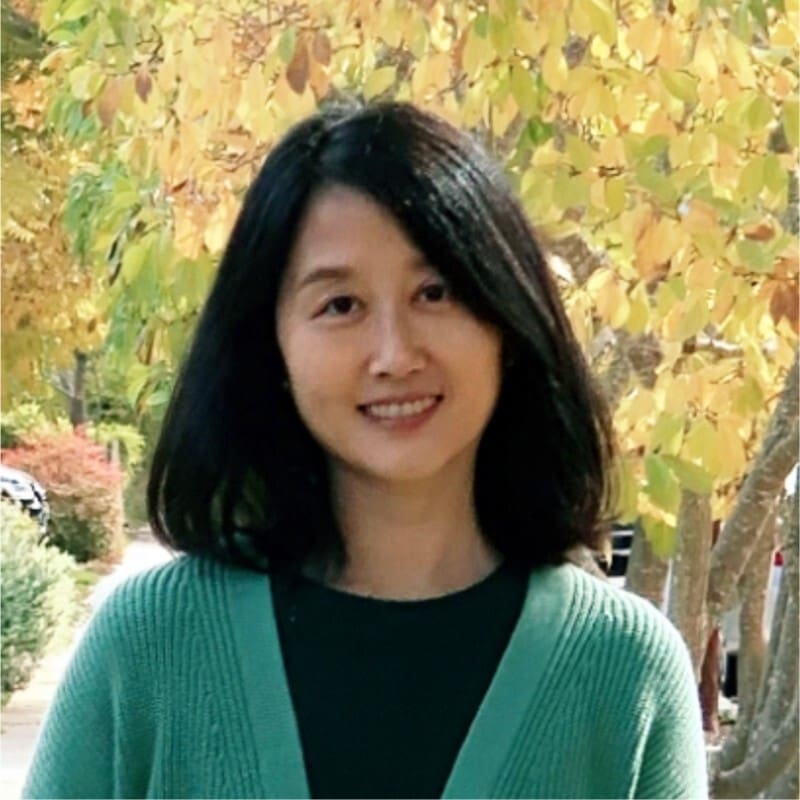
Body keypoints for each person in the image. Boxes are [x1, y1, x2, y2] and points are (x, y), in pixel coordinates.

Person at [24, 101, 707, 799]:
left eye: (435, 292)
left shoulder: (624, 672)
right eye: (340, 305)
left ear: (508, 321)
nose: (394, 354)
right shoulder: (148, 649)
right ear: (274, 346)